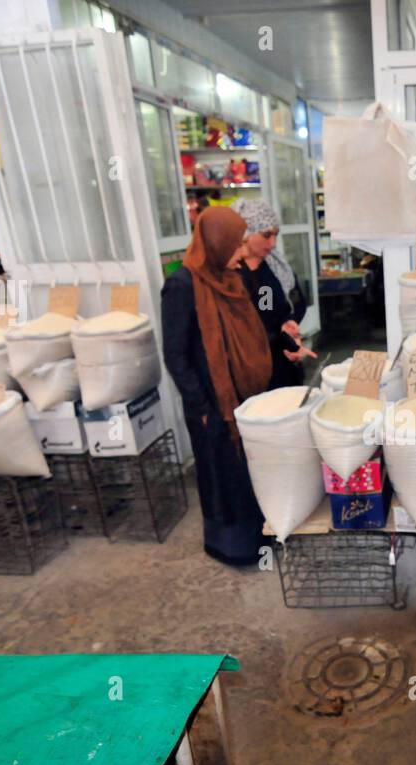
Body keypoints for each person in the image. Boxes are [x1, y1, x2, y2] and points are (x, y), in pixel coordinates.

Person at [161, 206, 274, 567]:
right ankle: (231, 546)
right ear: (216, 243)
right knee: (221, 473)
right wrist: (201, 406)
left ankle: (258, 536)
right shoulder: (181, 286)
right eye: (236, 245)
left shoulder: (230, 279)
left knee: (248, 470)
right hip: (211, 402)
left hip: (241, 394)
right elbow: (176, 355)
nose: (241, 253)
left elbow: (248, 333)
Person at [231, 199, 315, 390]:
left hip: (283, 363)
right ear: (246, 234)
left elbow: (270, 309)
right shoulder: (233, 274)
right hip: (256, 374)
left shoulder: (271, 267)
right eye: (266, 235)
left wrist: (288, 322)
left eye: (275, 235)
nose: (273, 243)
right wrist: (279, 335)